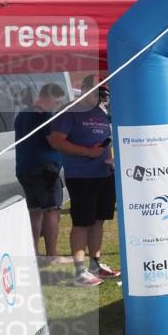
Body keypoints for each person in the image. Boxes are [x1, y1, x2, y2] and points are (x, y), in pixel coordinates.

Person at [47, 76, 119, 287]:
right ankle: (80, 272)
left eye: (103, 94)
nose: (100, 97)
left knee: (99, 220)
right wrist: (87, 151)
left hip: (104, 173)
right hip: (81, 175)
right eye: (97, 92)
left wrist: (110, 158)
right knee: (82, 222)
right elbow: (55, 140)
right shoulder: (70, 111)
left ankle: (95, 264)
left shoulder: (100, 113)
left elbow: (104, 142)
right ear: (85, 89)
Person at [15, 83, 72, 267]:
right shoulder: (45, 115)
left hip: (24, 167)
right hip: (45, 170)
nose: (56, 106)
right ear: (47, 97)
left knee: (35, 212)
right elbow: (53, 142)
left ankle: (34, 253)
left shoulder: (22, 114)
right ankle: (52, 255)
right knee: (52, 210)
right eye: (56, 102)